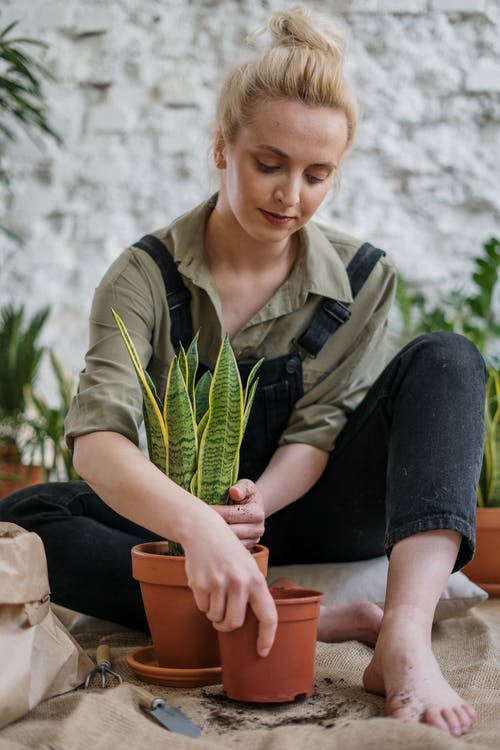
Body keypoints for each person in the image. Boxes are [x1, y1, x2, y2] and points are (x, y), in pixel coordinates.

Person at [0, 5, 486, 738]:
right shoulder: (144, 275)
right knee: (28, 517)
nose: (291, 195)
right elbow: (98, 441)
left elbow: (320, 431)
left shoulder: (362, 276)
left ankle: (403, 634)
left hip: (308, 506)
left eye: (317, 175)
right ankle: (300, 615)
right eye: (269, 164)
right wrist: (201, 528)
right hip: (183, 521)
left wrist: (262, 504)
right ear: (222, 148)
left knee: (449, 357)